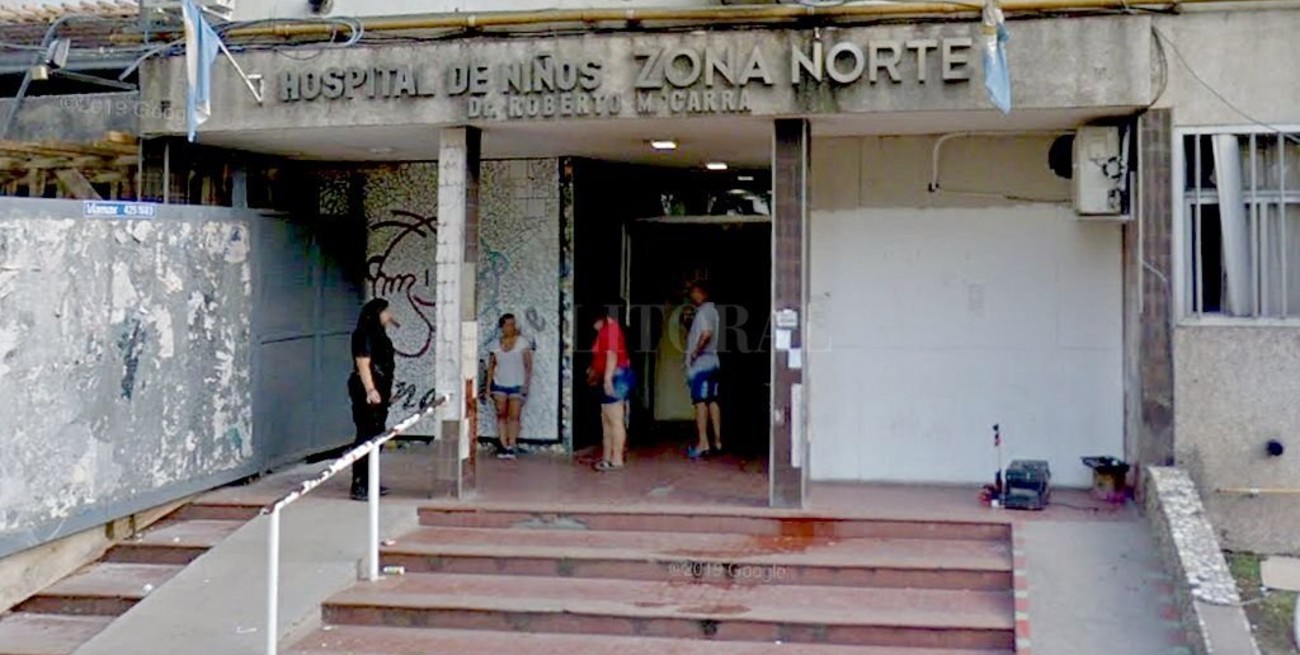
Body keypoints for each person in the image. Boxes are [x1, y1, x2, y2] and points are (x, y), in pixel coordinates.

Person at [348, 298, 397, 501]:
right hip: (367, 390)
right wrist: (370, 389)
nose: (389, 315)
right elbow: (363, 364)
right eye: (386, 312)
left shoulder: (380, 335)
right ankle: (359, 482)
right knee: (366, 433)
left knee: (377, 434)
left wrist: (386, 391)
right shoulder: (363, 334)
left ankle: (370, 479)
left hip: (380, 388)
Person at [588, 305, 634, 471]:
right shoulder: (606, 330)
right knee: (607, 420)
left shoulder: (612, 329)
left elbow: (612, 354)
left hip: (616, 376)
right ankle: (607, 457)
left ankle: (616, 459)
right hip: (612, 375)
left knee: (614, 419)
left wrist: (607, 380)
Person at [684, 281, 722, 460]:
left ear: (703, 294)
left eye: (695, 292)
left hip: (702, 364)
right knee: (712, 400)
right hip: (713, 362)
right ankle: (717, 441)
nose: (692, 296)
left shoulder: (704, 312)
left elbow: (706, 333)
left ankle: (703, 443)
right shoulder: (713, 311)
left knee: (700, 401)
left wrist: (695, 353)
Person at [488, 313, 533, 460]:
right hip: (499, 383)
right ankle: (503, 444)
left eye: (513, 324)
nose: (511, 327)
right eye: (508, 325)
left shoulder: (522, 343)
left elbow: (528, 365)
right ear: (502, 327)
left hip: (517, 384)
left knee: (514, 416)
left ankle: (512, 445)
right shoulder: (495, 344)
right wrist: (488, 387)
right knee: (501, 415)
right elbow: (491, 366)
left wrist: (526, 385)